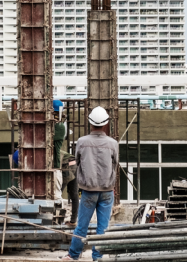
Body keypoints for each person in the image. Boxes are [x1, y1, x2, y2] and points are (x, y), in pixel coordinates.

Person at [66, 106, 119, 261]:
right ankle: (98, 257)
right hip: (107, 191)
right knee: (102, 227)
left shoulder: (82, 142)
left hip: (88, 190)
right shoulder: (113, 143)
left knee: (81, 226)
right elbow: (115, 164)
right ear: (105, 124)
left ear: (90, 123)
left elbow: (77, 161)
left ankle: (73, 255)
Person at [52, 100, 78, 224]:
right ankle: (72, 220)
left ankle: (59, 221)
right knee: (71, 193)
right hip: (70, 163)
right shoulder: (57, 125)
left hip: (69, 164)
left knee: (58, 194)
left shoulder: (59, 127)